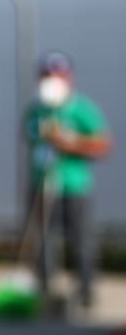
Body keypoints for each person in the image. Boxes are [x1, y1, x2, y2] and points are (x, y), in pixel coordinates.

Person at [23, 51, 113, 314]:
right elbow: (30, 138)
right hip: (42, 183)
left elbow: (102, 144)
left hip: (74, 185)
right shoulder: (35, 110)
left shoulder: (82, 109)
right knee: (42, 239)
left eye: (58, 75)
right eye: (47, 75)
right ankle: (47, 289)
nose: (52, 80)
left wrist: (71, 142)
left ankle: (85, 290)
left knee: (81, 239)